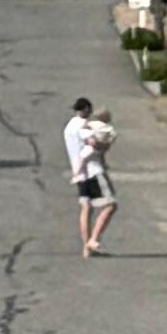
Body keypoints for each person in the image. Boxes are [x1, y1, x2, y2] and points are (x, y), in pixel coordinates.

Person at [64, 96, 116, 257]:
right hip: (93, 170)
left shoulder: (69, 126)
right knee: (111, 204)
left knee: (86, 207)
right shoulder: (84, 125)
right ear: (86, 109)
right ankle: (93, 240)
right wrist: (104, 146)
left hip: (78, 173)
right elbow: (92, 142)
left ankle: (86, 248)